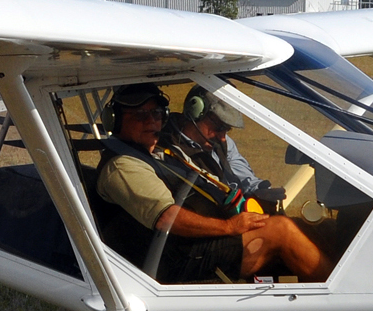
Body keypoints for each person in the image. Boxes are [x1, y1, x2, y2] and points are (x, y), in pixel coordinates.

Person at [94, 83, 332, 283]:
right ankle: (348, 296)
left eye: (157, 114)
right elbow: (167, 217)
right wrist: (229, 227)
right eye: (140, 115)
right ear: (113, 120)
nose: (152, 122)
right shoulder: (123, 165)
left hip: (188, 247)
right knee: (281, 231)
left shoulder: (155, 152)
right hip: (171, 262)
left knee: (297, 226)